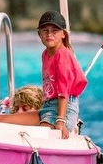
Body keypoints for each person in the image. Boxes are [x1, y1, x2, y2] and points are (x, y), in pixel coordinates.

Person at [37, 10, 87, 138]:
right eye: (45, 30)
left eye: (54, 31)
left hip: (65, 109)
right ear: (39, 34)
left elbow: (63, 92)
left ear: (63, 34)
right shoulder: (45, 54)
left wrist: (60, 122)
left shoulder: (62, 54)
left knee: (37, 134)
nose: (49, 34)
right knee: (2, 120)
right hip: (48, 106)